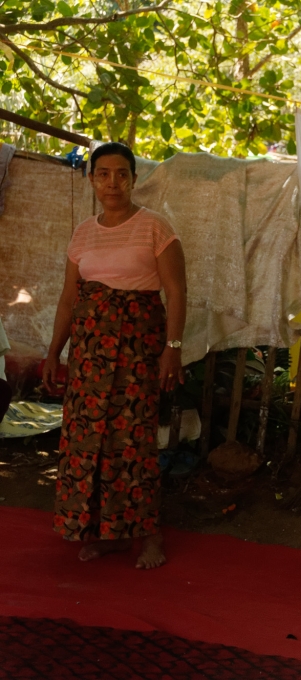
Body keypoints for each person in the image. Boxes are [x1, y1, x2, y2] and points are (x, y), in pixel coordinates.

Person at [43, 142, 186, 570]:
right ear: (91, 179)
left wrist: (172, 349)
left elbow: (176, 292)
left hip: (137, 349)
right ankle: (106, 532)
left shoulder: (156, 227)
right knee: (89, 442)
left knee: (132, 440)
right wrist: (54, 352)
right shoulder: (83, 232)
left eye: (121, 174)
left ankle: (148, 536)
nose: (112, 182)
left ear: (134, 179)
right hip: (89, 355)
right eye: (103, 174)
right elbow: (70, 298)